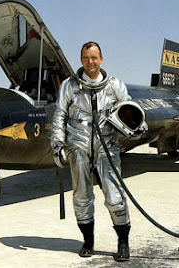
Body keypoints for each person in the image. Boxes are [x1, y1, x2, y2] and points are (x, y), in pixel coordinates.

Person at [51, 41, 131, 261]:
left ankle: (123, 242)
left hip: (107, 147)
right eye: (86, 58)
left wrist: (134, 127)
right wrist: (57, 144)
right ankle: (88, 242)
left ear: (101, 59)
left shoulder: (114, 85)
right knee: (82, 196)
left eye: (94, 57)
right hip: (78, 146)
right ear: (81, 60)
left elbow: (128, 110)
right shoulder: (70, 85)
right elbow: (59, 114)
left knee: (115, 196)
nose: (90, 62)